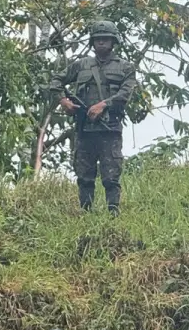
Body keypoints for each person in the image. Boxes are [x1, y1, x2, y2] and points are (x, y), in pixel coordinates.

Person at [49, 21, 137, 214]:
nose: (101, 42)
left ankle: (113, 213)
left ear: (113, 41)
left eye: (105, 38)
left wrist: (103, 105)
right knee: (84, 176)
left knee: (111, 176)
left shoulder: (125, 68)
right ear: (92, 42)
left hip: (110, 129)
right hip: (84, 129)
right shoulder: (81, 65)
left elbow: (125, 94)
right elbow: (56, 80)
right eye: (97, 39)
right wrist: (64, 101)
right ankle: (85, 214)